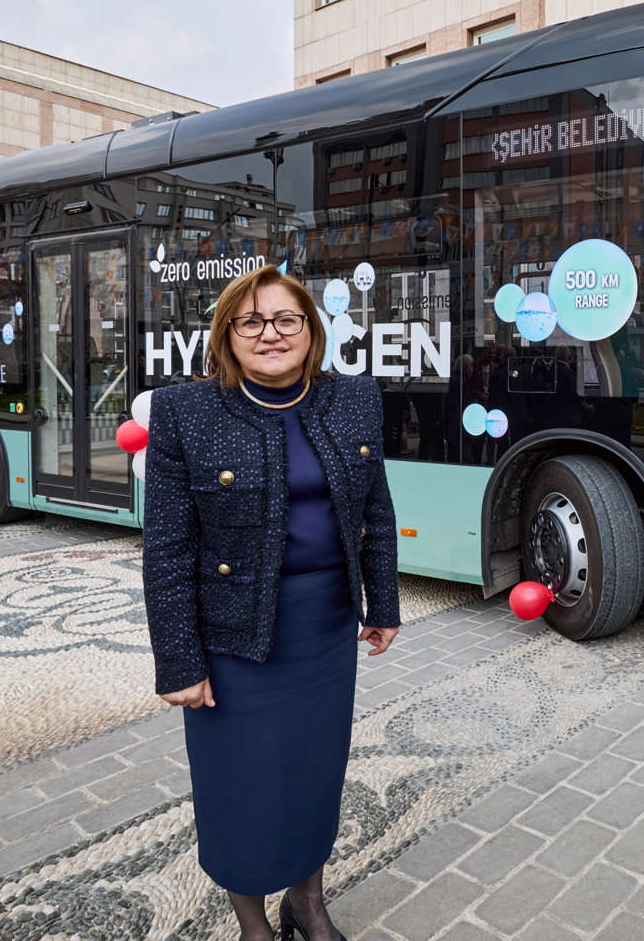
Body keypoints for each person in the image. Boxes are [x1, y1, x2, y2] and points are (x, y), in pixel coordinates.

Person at [142, 264, 401, 941]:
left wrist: (385, 604)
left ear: (311, 332)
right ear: (227, 335)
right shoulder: (184, 412)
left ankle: (307, 902)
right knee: (242, 785)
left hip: (324, 626)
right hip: (233, 637)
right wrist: (178, 661)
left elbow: (375, 505)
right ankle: (253, 922)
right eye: (250, 320)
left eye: (286, 318)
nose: (270, 333)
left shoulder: (356, 398)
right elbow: (167, 548)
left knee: (315, 775)